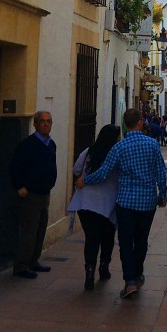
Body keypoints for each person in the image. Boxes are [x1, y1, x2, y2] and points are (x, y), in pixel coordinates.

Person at [79, 108, 167, 299]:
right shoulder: (152, 144)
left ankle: (130, 282)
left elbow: (103, 173)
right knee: (141, 240)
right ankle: (138, 273)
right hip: (147, 202)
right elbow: (161, 171)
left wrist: (85, 180)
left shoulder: (119, 147)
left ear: (126, 124)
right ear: (140, 122)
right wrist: (163, 193)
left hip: (126, 202)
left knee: (126, 242)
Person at [67, 124, 121, 290]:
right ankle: (103, 268)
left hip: (86, 202)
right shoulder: (116, 154)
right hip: (108, 203)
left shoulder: (88, 152)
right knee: (107, 237)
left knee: (91, 238)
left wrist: (84, 179)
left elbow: (76, 169)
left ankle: (89, 272)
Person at [9, 111, 57, 278]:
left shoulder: (51, 144)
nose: (46, 124)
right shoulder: (27, 145)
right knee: (29, 231)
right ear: (35, 124)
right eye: (42, 121)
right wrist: (20, 186)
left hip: (44, 194)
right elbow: (15, 167)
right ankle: (21, 266)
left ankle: (33, 261)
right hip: (31, 195)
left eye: (48, 121)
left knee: (40, 229)